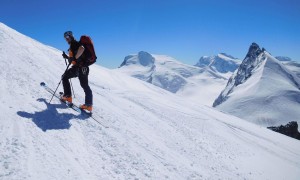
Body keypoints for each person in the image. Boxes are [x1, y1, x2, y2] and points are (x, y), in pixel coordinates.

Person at [61, 31, 93, 111]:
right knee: (84, 85)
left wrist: (74, 58)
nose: (66, 39)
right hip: (82, 68)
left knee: (65, 77)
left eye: (67, 37)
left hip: (79, 68)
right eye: (65, 38)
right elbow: (75, 58)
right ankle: (88, 105)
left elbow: (82, 49)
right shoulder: (73, 45)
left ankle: (68, 96)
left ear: (71, 36)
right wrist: (67, 57)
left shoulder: (75, 43)